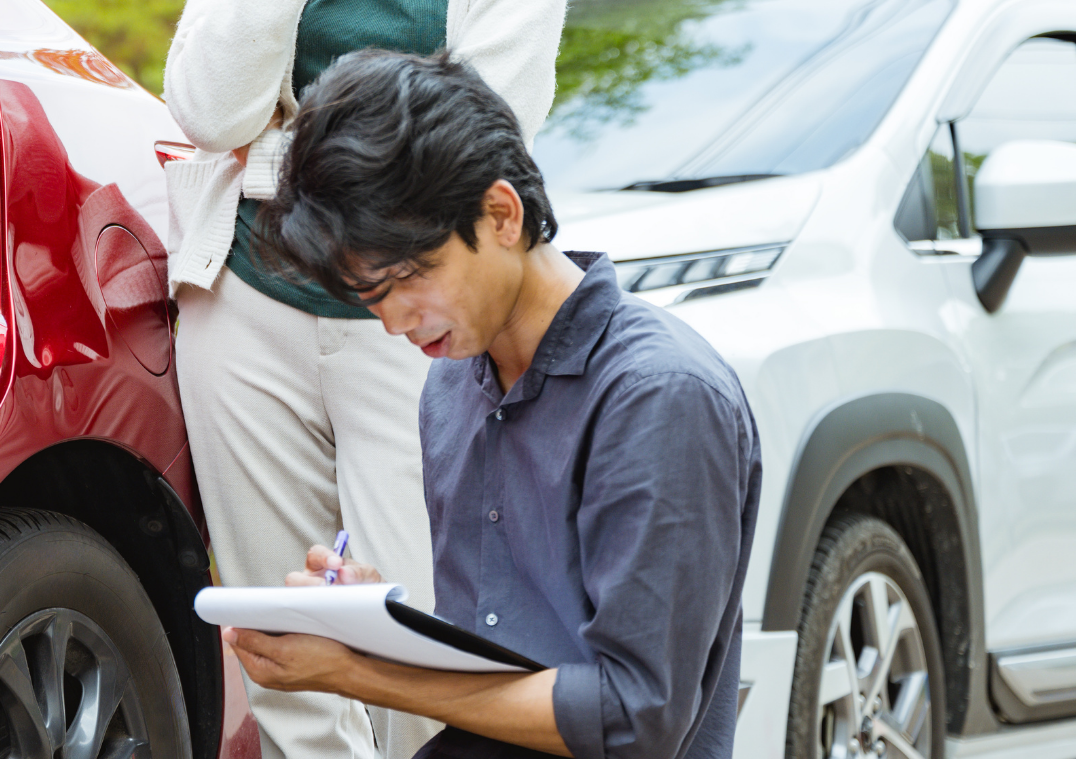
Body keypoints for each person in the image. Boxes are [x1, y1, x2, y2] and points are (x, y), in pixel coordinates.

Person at [161, 0, 568, 759]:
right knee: (281, 637)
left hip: (419, 325)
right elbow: (203, 111)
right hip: (243, 308)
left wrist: (270, 158)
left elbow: (469, 138)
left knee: (425, 625)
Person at [226, 49, 762, 759]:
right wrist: (372, 624)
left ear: (501, 214)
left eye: (408, 278)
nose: (393, 322)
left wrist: (363, 672)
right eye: (370, 297)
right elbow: (503, 656)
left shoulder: (657, 396)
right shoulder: (452, 385)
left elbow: (633, 718)